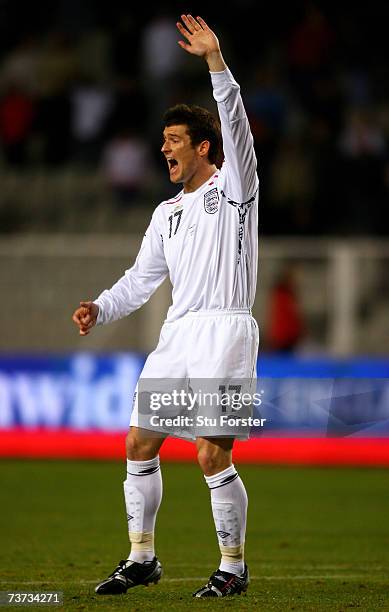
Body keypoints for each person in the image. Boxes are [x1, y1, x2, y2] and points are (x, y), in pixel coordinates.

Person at [72, 14, 259, 599]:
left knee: (210, 452)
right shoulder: (165, 214)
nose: (165, 150)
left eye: (175, 141)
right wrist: (100, 308)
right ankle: (142, 558)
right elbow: (141, 279)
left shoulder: (235, 188)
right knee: (138, 441)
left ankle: (233, 566)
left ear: (203, 147)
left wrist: (215, 64)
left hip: (226, 333)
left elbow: (237, 125)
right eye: (163, 143)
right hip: (178, 335)